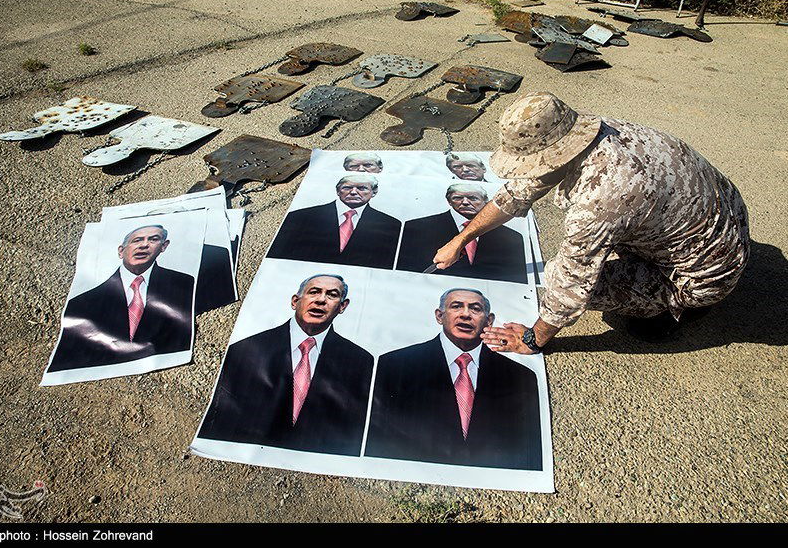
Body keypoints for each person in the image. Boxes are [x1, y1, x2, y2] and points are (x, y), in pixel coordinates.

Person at [433, 91, 751, 351]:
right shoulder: (597, 132)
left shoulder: (601, 201)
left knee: (557, 273)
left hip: (702, 273)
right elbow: (519, 191)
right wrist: (462, 238)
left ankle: (676, 305)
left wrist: (532, 339)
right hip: (719, 221)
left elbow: (572, 285)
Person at [197, 274, 374, 456]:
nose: (321, 300)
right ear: (295, 301)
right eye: (314, 292)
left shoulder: (360, 361)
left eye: (332, 295)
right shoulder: (245, 349)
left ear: (342, 307)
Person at [365, 288, 542, 469]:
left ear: (489, 321)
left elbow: (528, 449)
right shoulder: (395, 365)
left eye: (475, 309)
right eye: (456, 307)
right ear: (439, 316)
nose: (465, 315)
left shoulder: (520, 376)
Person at [48, 225, 194, 372]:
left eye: (153, 239)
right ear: (120, 251)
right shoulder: (81, 304)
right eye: (137, 240)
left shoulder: (185, 285)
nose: (144, 245)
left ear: (164, 246)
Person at [396, 183, 527, 283]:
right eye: (458, 198)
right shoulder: (417, 227)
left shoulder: (512, 237)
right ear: (449, 201)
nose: (465, 202)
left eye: (472, 198)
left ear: (487, 202)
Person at [267, 174, 401, 269]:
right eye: (347, 188)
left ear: (374, 192)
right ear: (338, 191)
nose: (353, 192)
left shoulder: (391, 225)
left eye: (362, 188)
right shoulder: (300, 217)